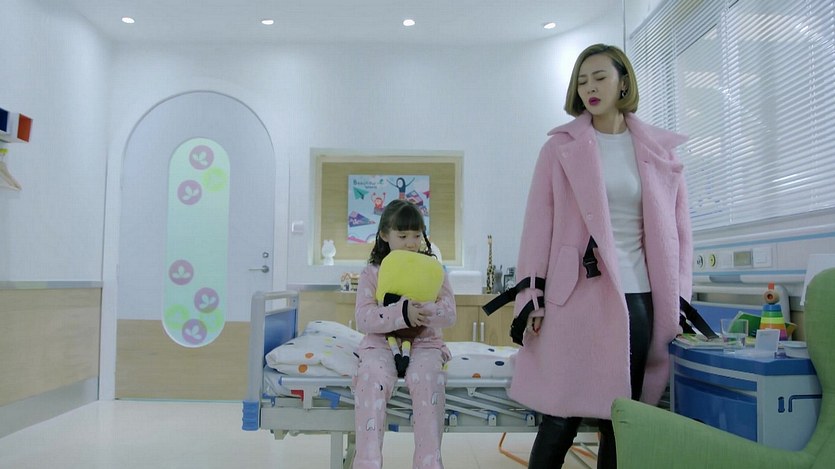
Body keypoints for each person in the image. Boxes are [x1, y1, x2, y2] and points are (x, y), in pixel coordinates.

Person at [508, 43, 692, 468]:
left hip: (638, 296)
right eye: (582, 81)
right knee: (560, 413)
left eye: (600, 77)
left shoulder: (659, 151)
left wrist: (680, 298)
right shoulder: (559, 149)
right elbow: (537, 228)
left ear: (623, 82)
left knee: (621, 418)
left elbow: (680, 234)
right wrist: (531, 298)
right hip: (574, 295)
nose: (589, 88)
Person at [353, 199, 457, 469]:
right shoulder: (372, 273)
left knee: (428, 379)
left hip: (424, 344)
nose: (411, 243)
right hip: (380, 345)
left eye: (416, 235)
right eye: (402, 236)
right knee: (371, 376)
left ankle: (428, 463)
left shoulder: (434, 271)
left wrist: (420, 311)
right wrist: (401, 313)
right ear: (384, 235)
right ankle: (367, 463)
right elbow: (364, 318)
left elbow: (449, 314)